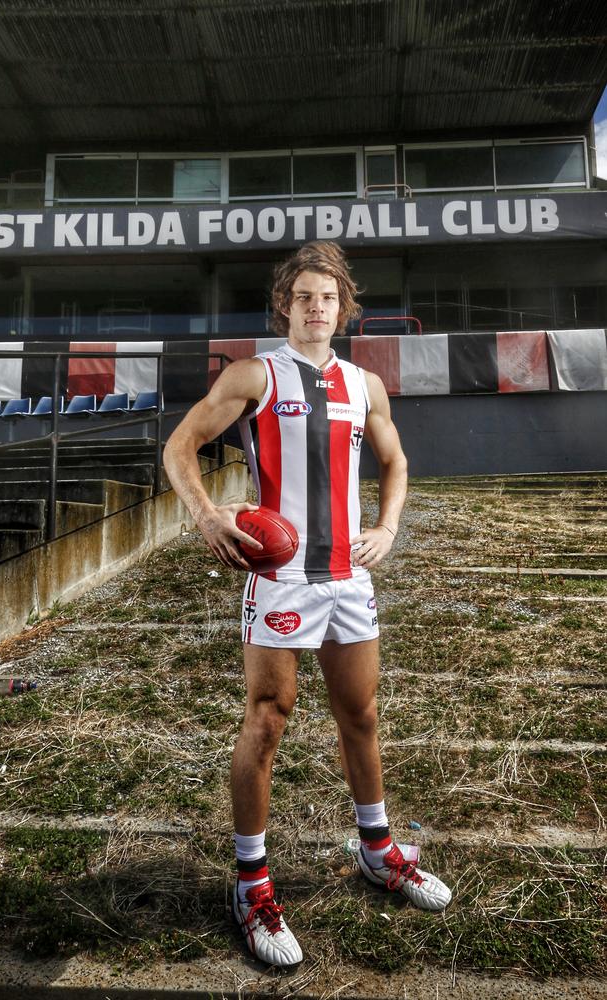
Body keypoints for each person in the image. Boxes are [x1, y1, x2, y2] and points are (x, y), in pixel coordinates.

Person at [163, 241, 451, 968]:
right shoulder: (253, 375)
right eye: (303, 297)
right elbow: (179, 447)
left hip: (350, 577)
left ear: (344, 308)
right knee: (268, 719)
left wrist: (385, 526)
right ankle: (252, 885)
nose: (316, 308)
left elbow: (397, 461)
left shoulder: (365, 385)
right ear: (284, 307)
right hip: (282, 577)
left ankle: (380, 851)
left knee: (361, 714)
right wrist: (205, 516)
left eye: (328, 297)